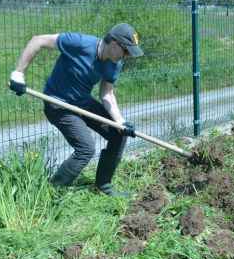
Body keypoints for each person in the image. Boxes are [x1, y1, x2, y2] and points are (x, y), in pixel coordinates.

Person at [9, 23, 144, 197]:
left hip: (82, 102)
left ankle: (103, 185)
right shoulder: (80, 43)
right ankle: (53, 191)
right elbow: (38, 40)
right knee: (86, 148)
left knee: (119, 134)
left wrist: (120, 122)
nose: (126, 56)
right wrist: (18, 73)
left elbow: (107, 93)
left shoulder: (114, 63)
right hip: (58, 104)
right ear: (114, 43)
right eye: (125, 51)